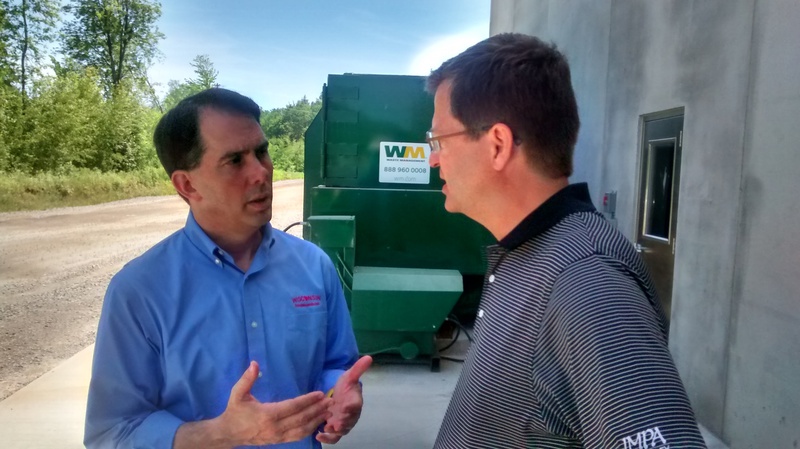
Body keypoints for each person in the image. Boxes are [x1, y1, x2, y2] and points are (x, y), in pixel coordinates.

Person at [425, 33, 706, 448]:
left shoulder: (587, 283)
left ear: (498, 145)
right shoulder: (529, 253)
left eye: (438, 140)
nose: (432, 158)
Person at [84, 88, 372, 449]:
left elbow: (336, 363)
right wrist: (224, 433)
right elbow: (112, 432)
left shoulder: (314, 265)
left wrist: (341, 392)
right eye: (235, 160)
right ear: (187, 185)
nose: (261, 172)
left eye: (261, 152)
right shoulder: (140, 290)